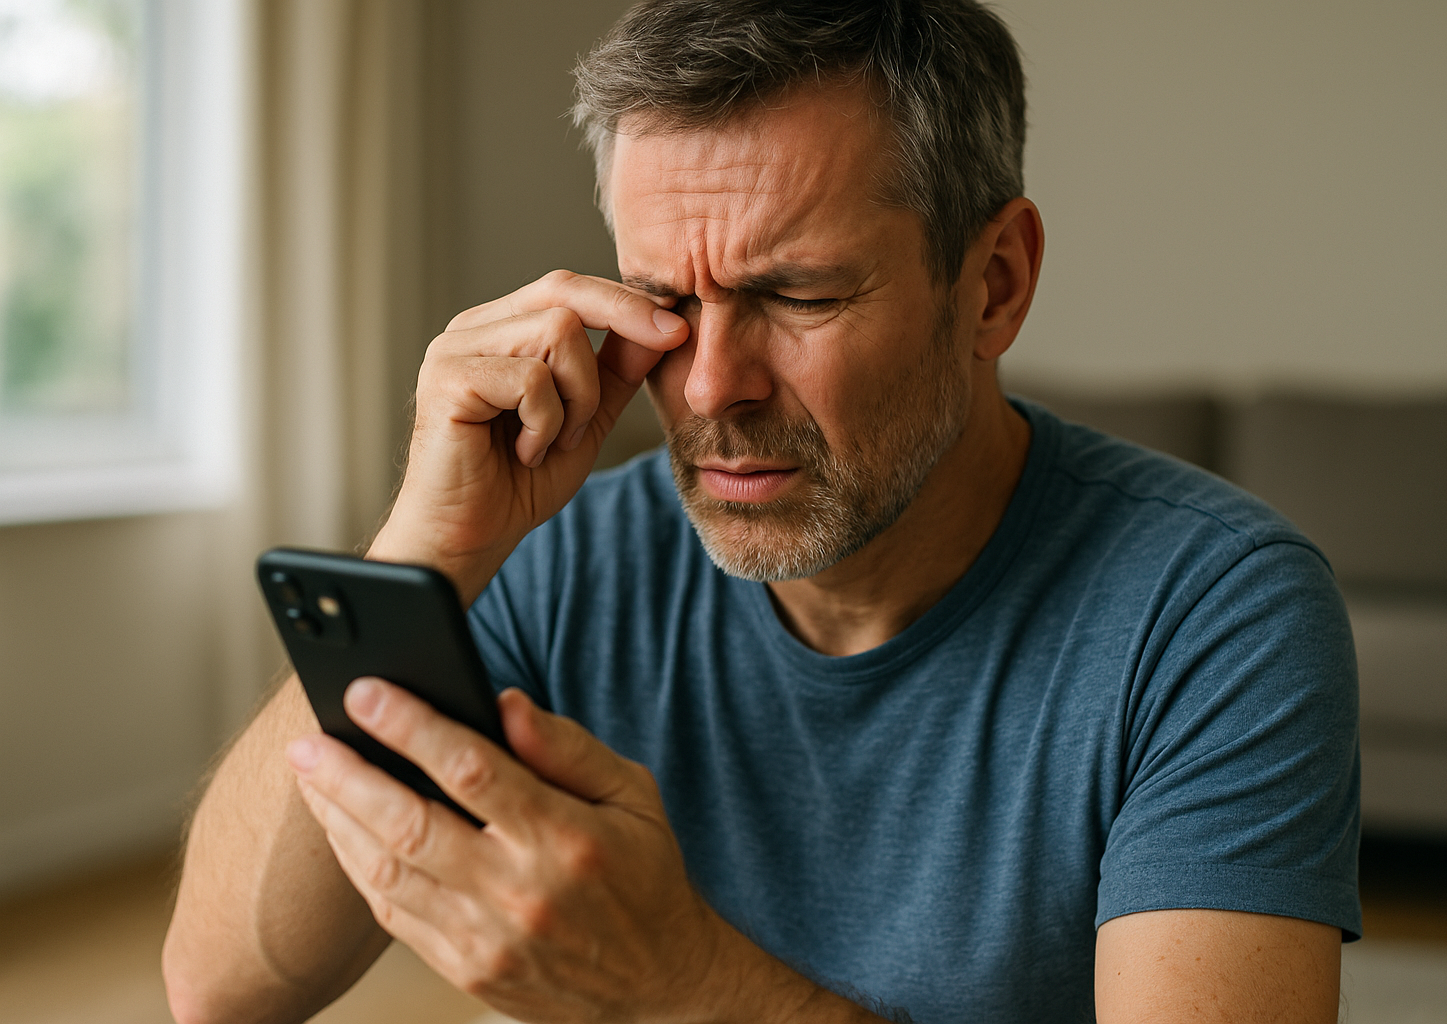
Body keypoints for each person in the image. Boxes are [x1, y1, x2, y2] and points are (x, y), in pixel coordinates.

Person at [163, 2, 1361, 1022]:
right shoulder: (565, 554)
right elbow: (221, 987)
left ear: (992, 285)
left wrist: (685, 987)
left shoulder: (1216, 609)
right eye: (661, 299)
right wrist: (433, 550)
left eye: (797, 294)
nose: (708, 385)